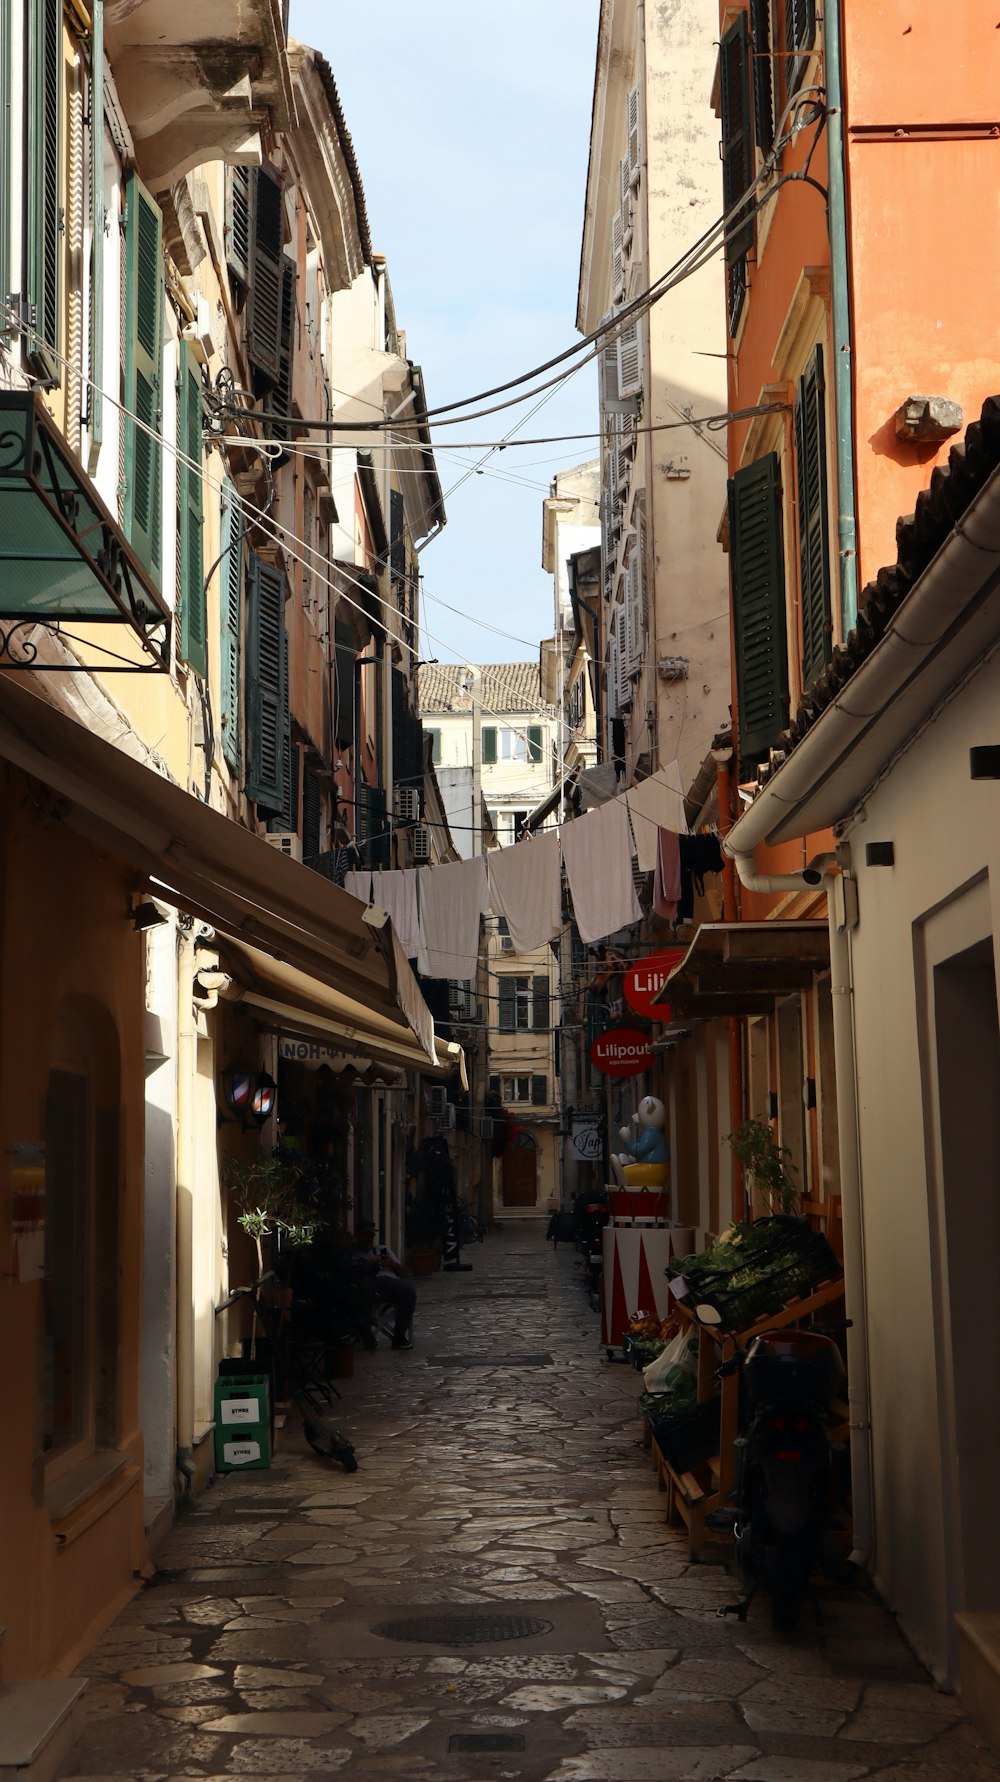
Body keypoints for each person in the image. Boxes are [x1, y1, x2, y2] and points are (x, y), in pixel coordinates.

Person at [355, 1221, 416, 1350]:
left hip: (389, 1280)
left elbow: (403, 1270)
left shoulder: (381, 1250)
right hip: (373, 1282)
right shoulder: (356, 1254)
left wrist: (392, 1264)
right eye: (366, 1235)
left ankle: (399, 1335)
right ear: (358, 1236)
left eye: (371, 1235)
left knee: (408, 1291)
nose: (370, 1238)